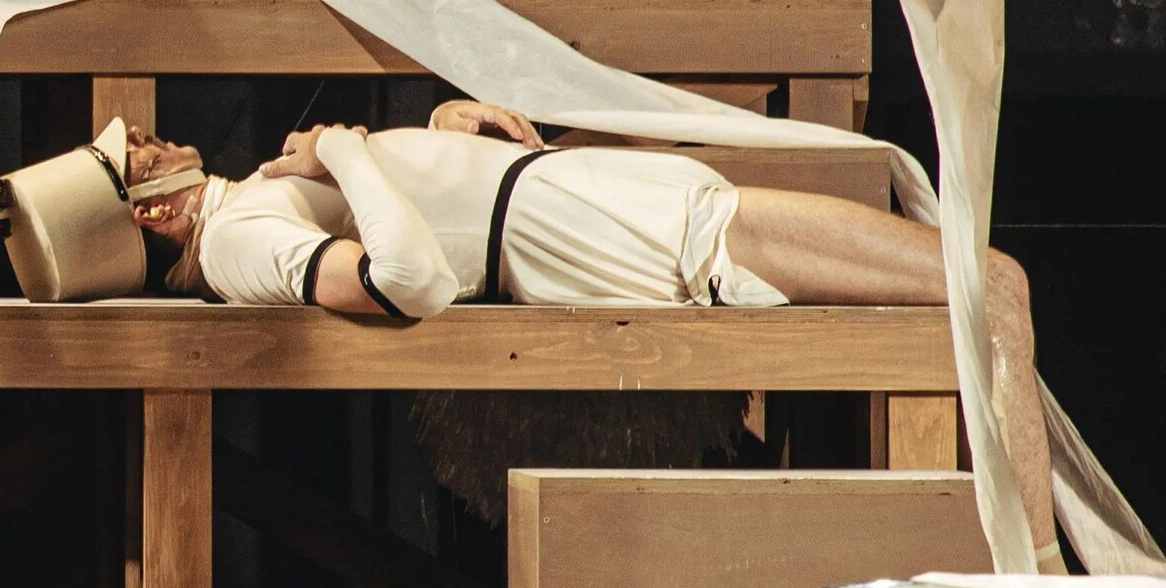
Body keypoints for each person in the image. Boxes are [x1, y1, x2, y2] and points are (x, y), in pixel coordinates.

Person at [62, 101, 1054, 548]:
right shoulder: (234, 244)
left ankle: (1041, 579)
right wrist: (350, 153)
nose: (142, 133)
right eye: (133, 155)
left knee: (991, 284)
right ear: (151, 213)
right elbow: (410, 279)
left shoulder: (246, 199)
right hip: (634, 233)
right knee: (994, 287)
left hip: (601, 197)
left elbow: (419, 215)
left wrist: (437, 135)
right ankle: (1046, 584)